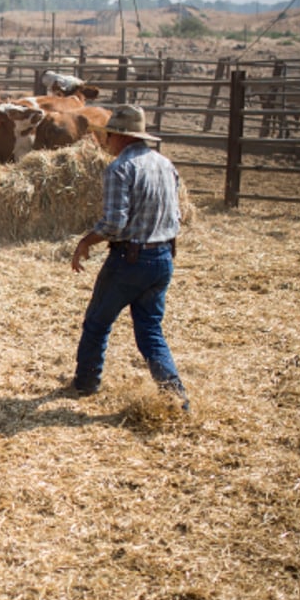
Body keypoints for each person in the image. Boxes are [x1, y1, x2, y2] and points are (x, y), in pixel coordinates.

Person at [70, 104, 189, 411]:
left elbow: (114, 224)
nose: (105, 141)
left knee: (97, 322)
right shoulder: (165, 164)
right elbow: (177, 214)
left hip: (130, 258)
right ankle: (176, 397)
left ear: (118, 136)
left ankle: (85, 384)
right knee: (150, 330)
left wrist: (86, 240)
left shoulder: (120, 169)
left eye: (108, 134)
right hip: (163, 256)